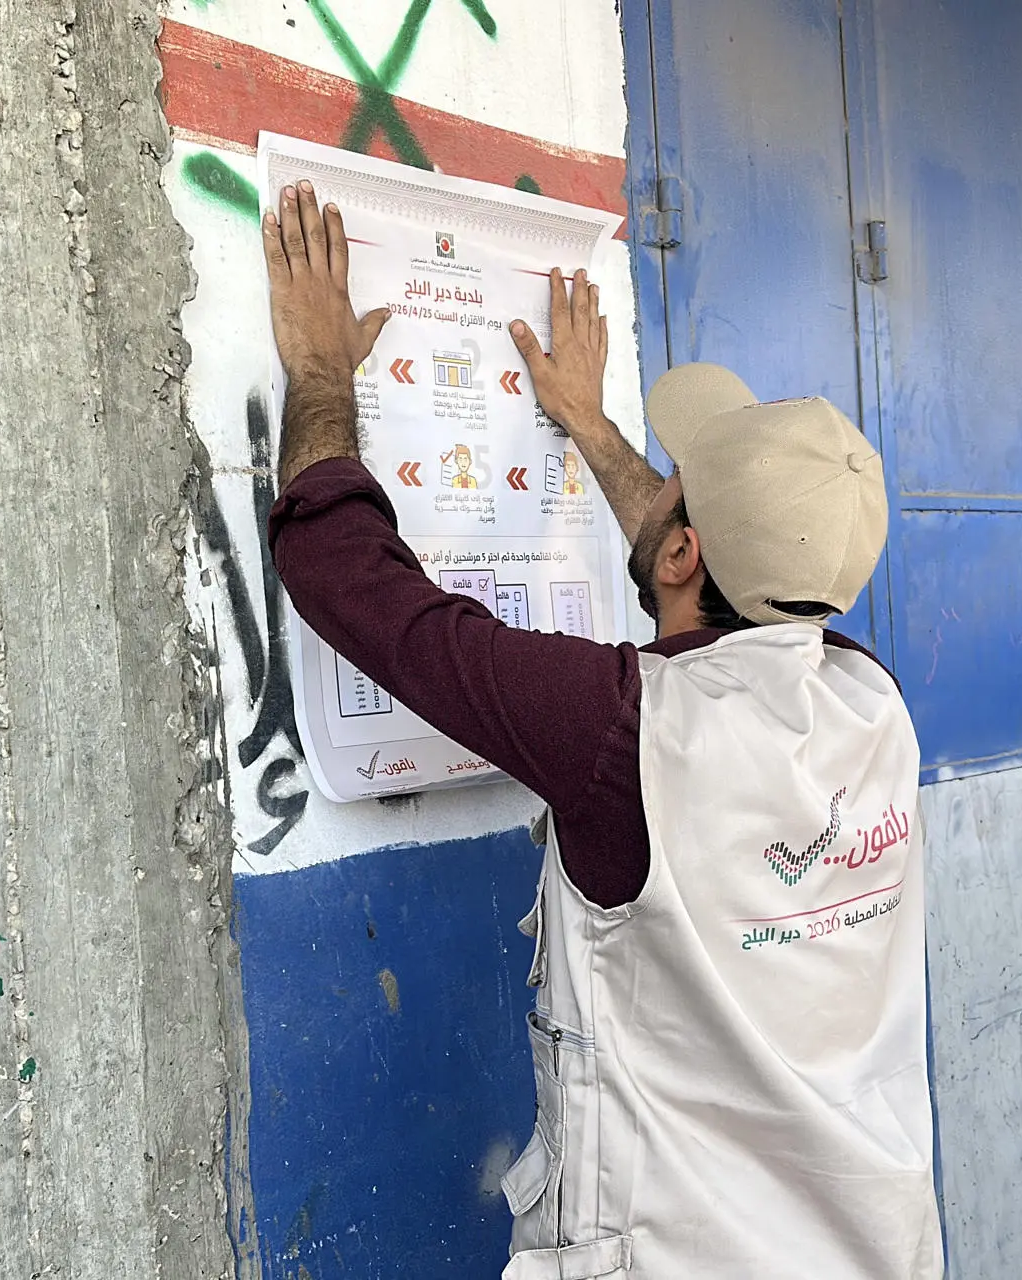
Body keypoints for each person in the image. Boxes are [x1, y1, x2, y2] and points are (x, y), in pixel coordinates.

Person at [260, 182, 942, 1279]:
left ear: (681, 553)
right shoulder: (874, 702)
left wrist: (323, 373)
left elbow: (345, 575)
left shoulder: (619, 727)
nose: (659, 492)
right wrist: (586, 423)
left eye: (674, 489)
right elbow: (710, 570)